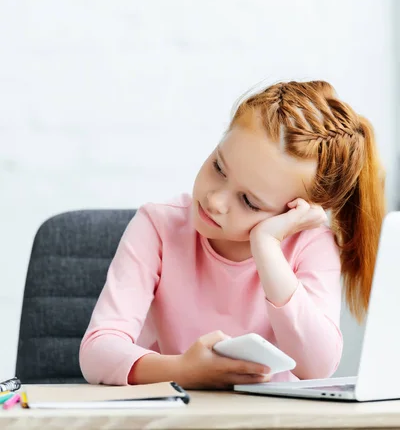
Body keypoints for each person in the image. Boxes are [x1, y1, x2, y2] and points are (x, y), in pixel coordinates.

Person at [79, 80, 385, 389]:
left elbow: (318, 366)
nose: (215, 200)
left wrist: (266, 246)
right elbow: (97, 351)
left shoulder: (313, 246)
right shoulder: (158, 225)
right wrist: (182, 370)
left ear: (296, 210)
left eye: (249, 201)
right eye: (219, 167)